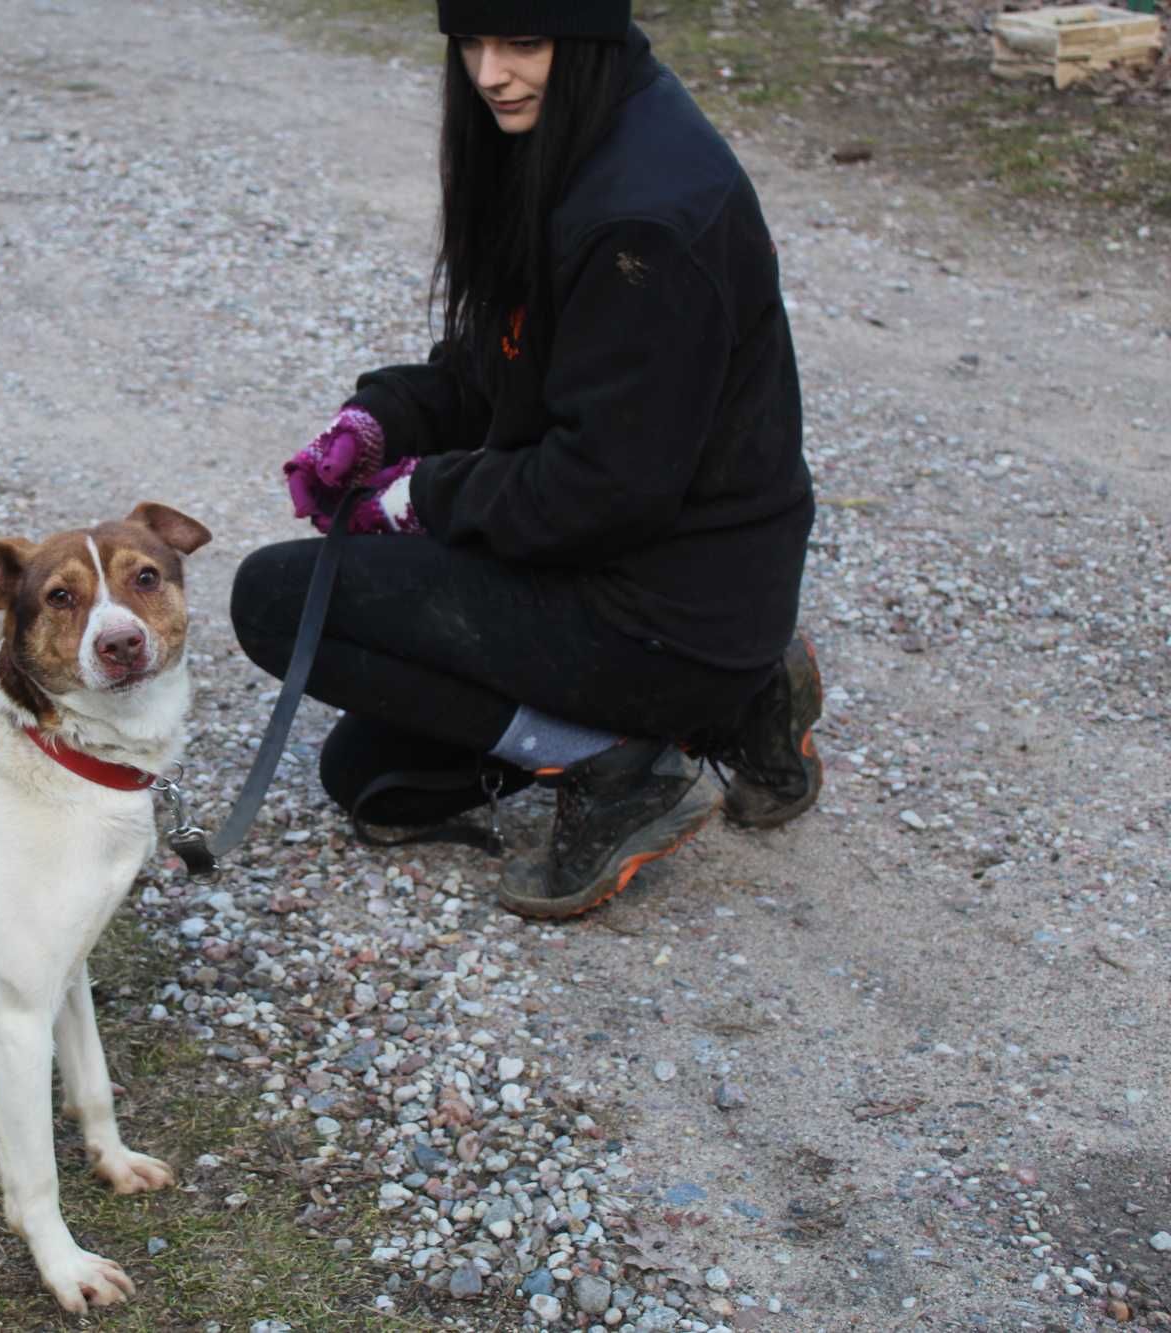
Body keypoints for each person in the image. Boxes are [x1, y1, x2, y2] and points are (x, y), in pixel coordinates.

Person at [230, 0, 823, 919]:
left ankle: (632, 761)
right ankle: (737, 707)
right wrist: (382, 420)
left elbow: (603, 490)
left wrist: (421, 496)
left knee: (273, 601)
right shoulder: (575, 130)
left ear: (582, 37)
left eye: (522, 43)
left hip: (665, 603)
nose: (489, 73)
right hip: (645, 574)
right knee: (372, 776)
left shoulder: (644, 220)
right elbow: (507, 355)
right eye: (471, 41)